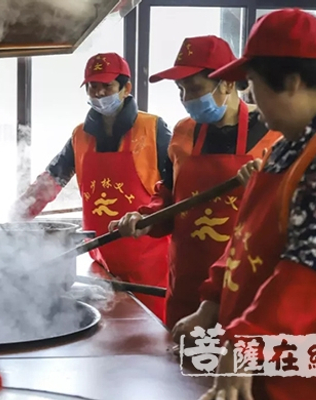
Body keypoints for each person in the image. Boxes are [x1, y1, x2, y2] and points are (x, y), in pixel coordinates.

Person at [169, 9, 316, 400]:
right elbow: (246, 238)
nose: (251, 100)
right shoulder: (289, 143)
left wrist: (245, 342)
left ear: (292, 82)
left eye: (253, 86)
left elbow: (315, 274)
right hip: (267, 349)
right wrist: (211, 305)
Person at [111, 36, 281, 330]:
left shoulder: (274, 136)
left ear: (227, 83)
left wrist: (265, 187)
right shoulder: (183, 132)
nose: (186, 97)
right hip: (186, 285)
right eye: (181, 89)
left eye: (194, 88)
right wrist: (146, 219)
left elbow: (284, 218)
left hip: (243, 288)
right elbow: (168, 196)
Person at [10, 53, 172, 319]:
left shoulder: (153, 128)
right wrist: (16, 217)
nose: (98, 93)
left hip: (149, 265)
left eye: (106, 86)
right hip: (101, 261)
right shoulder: (80, 134)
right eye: (92, 86)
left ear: (126, 88)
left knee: (147, 333)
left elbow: (174, 187)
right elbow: (52, 179)